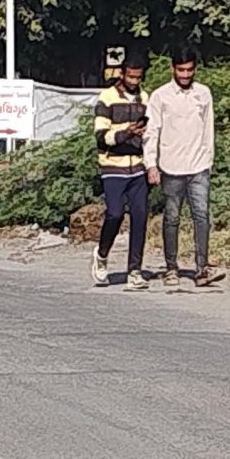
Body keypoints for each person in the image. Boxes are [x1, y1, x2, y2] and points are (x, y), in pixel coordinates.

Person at [145, 54, 217, 286]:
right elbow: (151, 131)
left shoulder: (203, 93)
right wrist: (151, 164)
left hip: (199, 166)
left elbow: (208, 129)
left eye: (189, 70)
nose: (185, 75)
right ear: (173, 68)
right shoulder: (160, 96)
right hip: (171, 166)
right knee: (172, 217)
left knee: (202, 215)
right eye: (181, 70)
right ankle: (171, 268)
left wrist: (209, 160)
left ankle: (202, 269)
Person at [91, 50, 151, 288]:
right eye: (130, 77)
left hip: (138, 167)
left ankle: (134, 270)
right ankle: (102, 254)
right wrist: (127, 132)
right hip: (112, 167)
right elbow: (101, 135)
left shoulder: (145, 98)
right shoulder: (106, 98)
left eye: (138, 77)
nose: (134, 81)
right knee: (115, 214)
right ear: (122, 74)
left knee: (140, 216)